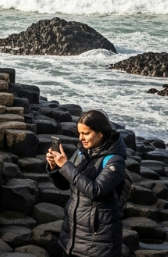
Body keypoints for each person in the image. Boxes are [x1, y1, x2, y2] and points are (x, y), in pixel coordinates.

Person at [47, 110, 127, 257]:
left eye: (86, 133)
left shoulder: (115, 160)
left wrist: (65, 166)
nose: (81, 138)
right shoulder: (81, 152)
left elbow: (95, 191)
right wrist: (55, 168)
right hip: (72, 237)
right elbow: (66, 184)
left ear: (101, 133)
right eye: (79, 133)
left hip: (98, 242)